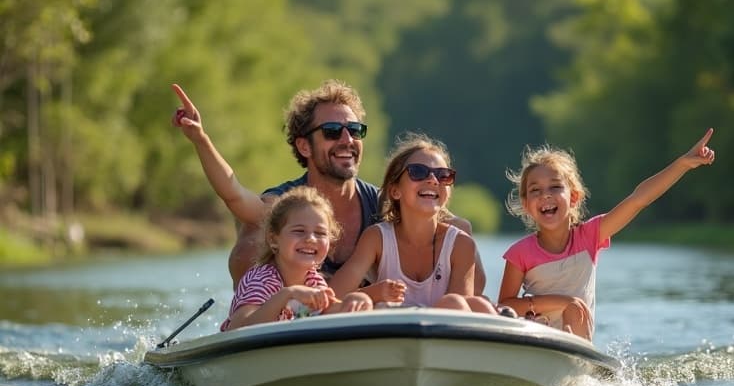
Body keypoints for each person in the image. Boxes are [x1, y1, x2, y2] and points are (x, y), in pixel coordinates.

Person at [171, 81, 486, 293]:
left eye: (355, 130)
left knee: (458, 226)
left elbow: (438, 214)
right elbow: (235, 196)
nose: (347, 140)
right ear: (305, 147)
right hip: (290, 307)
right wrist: (201, 139)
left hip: (358, 311)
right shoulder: (287, 202)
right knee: (252, 237)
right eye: (333, 131)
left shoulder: (384, 201)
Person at [497, 128, 716, 341]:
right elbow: (504, 306)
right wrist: (560, 301)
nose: (545, 195)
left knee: (573, 312)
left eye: (555, 187)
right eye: (536, 190)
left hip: (576, 342)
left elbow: (639, 199)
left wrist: (683, 164)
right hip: (536, 337)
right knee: (566, 309)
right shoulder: (519, 254)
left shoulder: (590, 236)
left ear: (574, 197)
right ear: (526, 205)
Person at [330, 133, 496, 313]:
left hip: (442, 336)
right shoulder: (377, 238)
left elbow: (459, 314)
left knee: (459, 304)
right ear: (395, 191)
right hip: (389, 334)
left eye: (443, 175)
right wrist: (373, 293)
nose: (433, 180)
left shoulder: (462, 245)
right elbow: (335, 295)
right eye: (418, 172)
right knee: (359, 299)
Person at [221, 186, 372, 331]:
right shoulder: (261, 279)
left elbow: (327, 312)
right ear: (273, 239)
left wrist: (354, 301)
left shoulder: (314, 281)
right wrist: (288, 294)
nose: (311, 239)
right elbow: (237, 328)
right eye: (299, 231)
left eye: (320, 233)